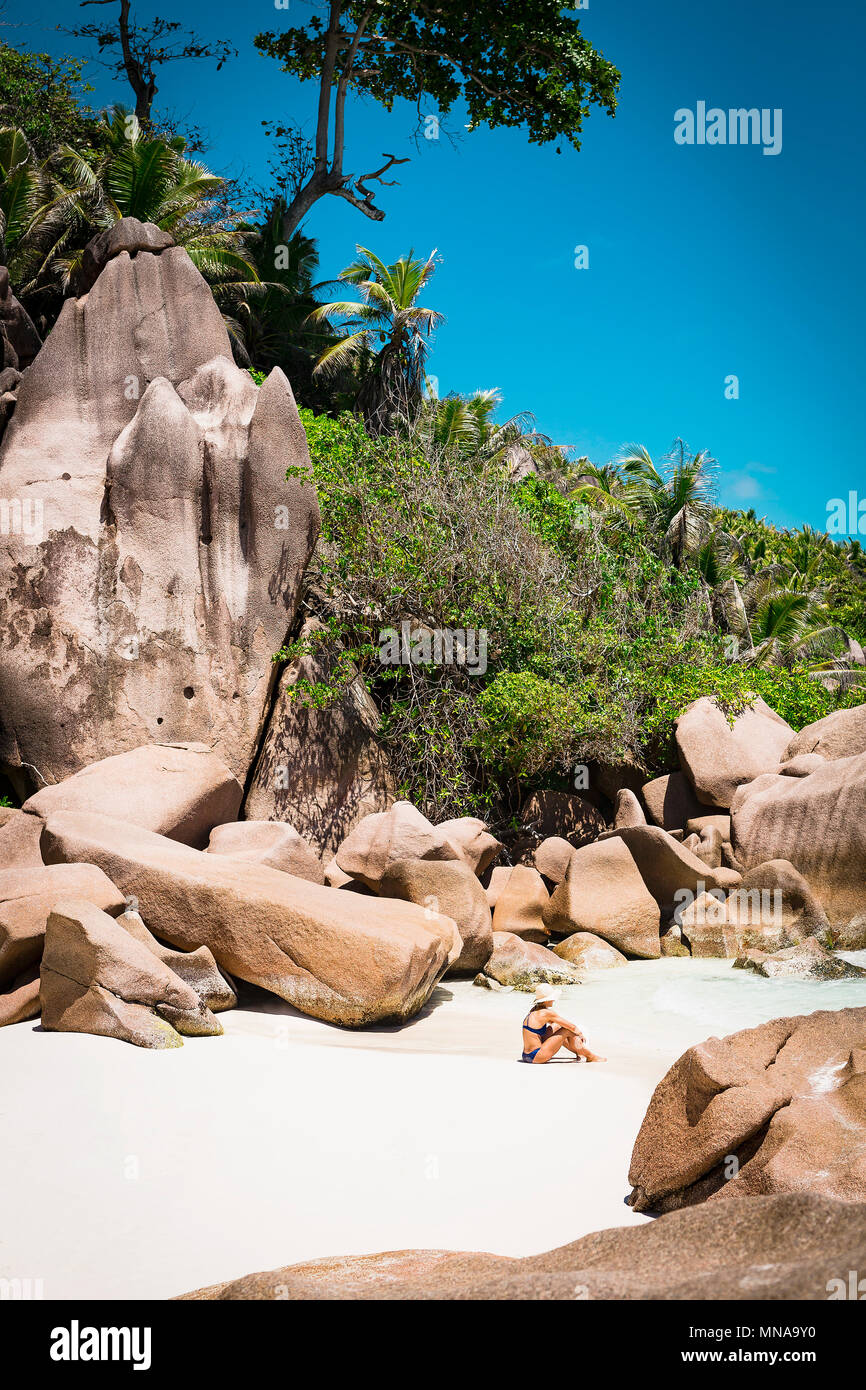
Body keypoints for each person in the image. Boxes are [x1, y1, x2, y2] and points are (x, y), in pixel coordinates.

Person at [520, 985, 606, 1064]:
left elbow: (557, 1024)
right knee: (566, 1030)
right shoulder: (546, 1013)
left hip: (526, 1055)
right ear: (547, 1000)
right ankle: (589, 1056)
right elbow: (571, 1026)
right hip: (537, 1056)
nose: (554, 1000)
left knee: (557, 1026)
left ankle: (580, 1052)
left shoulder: (534, 1011)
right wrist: (580, 1035)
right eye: (552, 998)